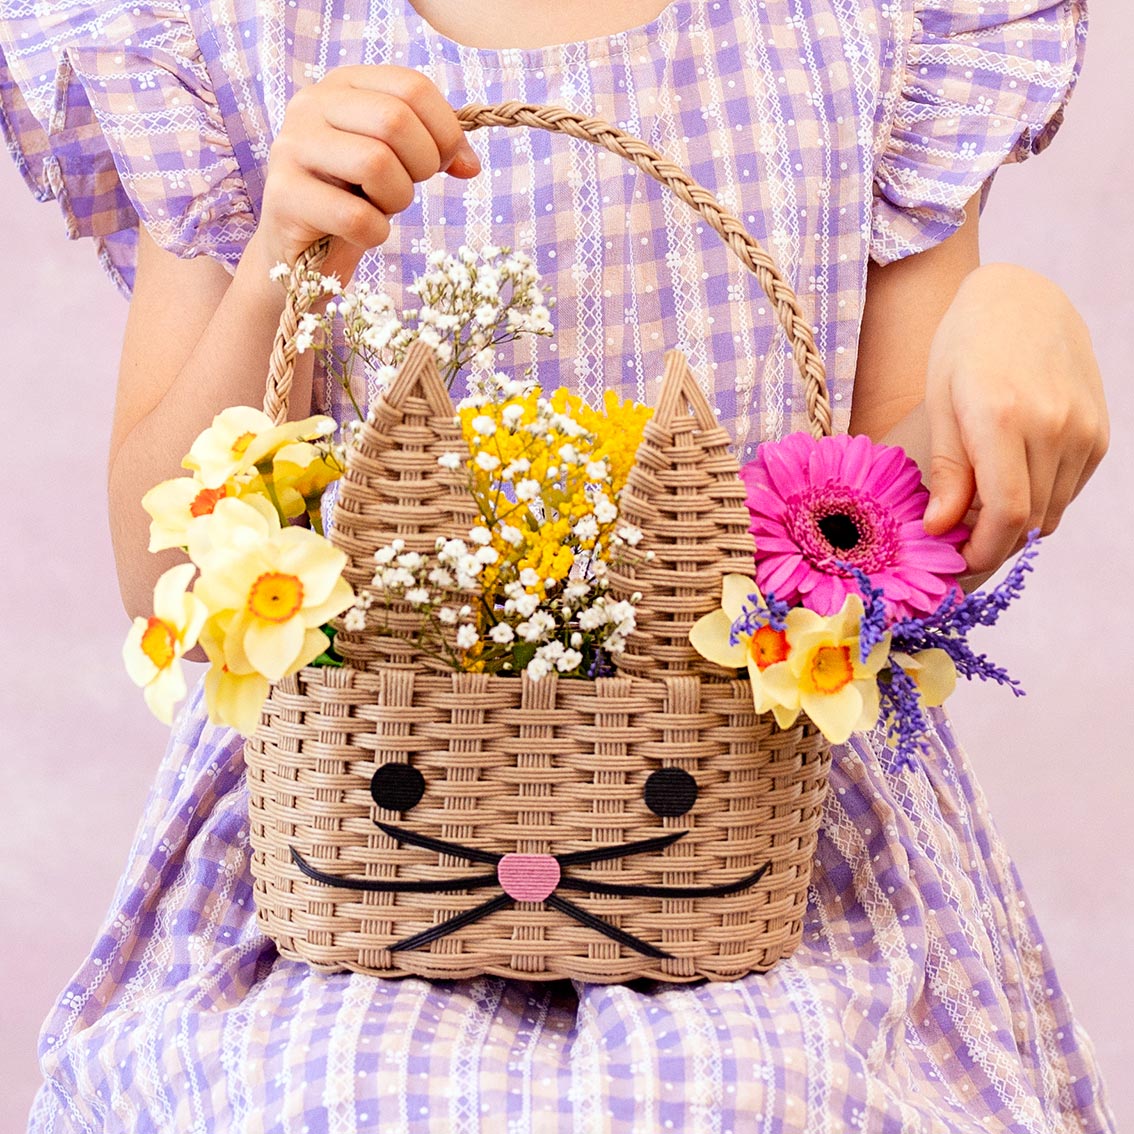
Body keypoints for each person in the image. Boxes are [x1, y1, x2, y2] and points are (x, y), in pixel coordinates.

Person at [0, 0, 1116, 1129]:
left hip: (755, 844)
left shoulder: (871, 26)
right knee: (341, 1095)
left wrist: (1012, 320)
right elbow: (166, 578)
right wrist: (281, 261)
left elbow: (887, 543)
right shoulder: (225, 31)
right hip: (343, 851)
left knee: (750, 1095)